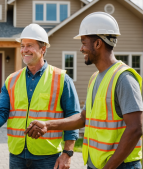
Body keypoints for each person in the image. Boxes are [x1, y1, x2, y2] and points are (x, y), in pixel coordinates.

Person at [25, 12, 143, 169]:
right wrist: (48, 125)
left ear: (98, 44)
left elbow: (136, 128)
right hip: (97, 164)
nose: (81, 49)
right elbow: (83, 117)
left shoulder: (123, 78)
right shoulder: (95, 78)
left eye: (83, 43)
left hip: (119, 166)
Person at [0, 23, 81, 169]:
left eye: (30, 45)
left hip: (48, 157)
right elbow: (1, 111)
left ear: (43, 49)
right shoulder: (12, 80)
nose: (24, 50)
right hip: (17, 156)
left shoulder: (61, 79)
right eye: (22, 45)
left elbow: (73, 117)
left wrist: (67, 153)